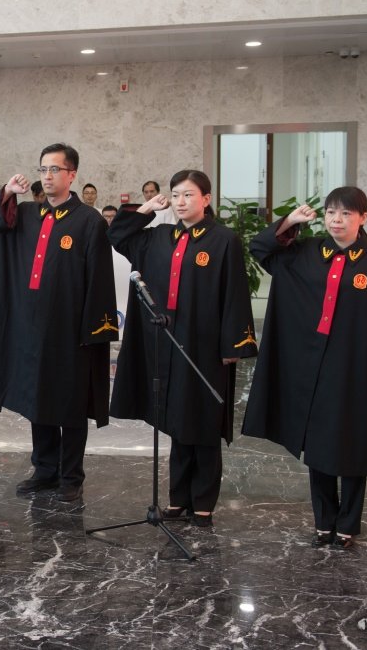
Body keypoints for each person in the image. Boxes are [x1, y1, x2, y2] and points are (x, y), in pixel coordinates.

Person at [242, 187, 367, 549]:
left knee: (353, 442)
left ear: (363, 218)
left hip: (355, 366)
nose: (337, 220)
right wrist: (290, 221)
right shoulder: (304, 252)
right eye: (331, 212)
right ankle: (324, 522)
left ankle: (347, 523)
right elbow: (260, 248)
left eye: (346, 214)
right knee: (318, 444)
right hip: (310, 366)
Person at [108, 170, 256, 527]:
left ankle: (203, 503)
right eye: (175, 195)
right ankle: (178, 499)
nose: (180, 201)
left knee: (202, 423)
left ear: (206, 199)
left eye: (188, 195)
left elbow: (235, 293)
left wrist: (233, 344)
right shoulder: (158, 236)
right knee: (176, 421)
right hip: (165, 343)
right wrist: (146, 209)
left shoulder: (224, 240)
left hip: (205, 345)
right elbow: (117, 235)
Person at [0, 144, 118, 504]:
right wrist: (7, 191)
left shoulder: (88, 221)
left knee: (70, 403)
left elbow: (99, 278)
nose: (48, 176)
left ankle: (71, 476)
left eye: (55, 169)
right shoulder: (25, 214)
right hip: (29, 327)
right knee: (37, 397)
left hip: (70, 329)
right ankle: (44, 469)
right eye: (43, 169)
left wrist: (93, 330)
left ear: (72, 175)